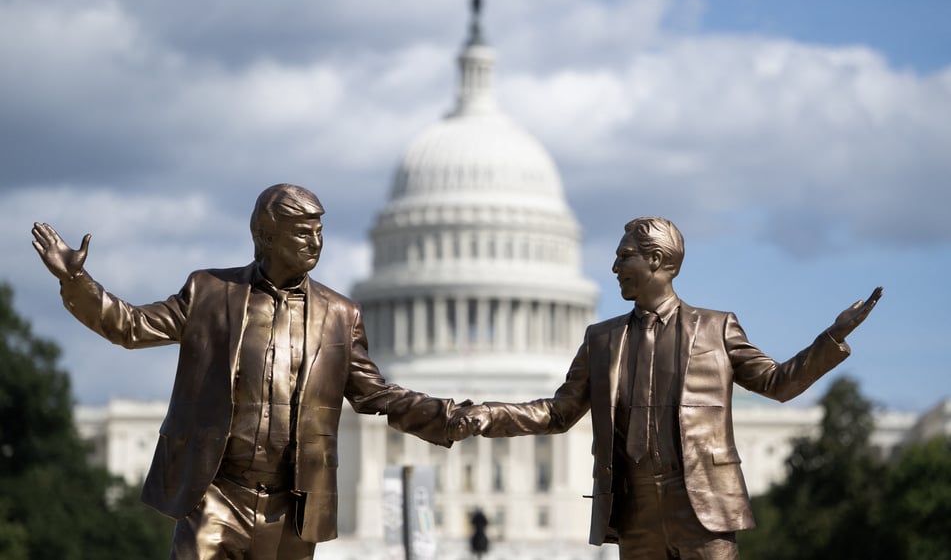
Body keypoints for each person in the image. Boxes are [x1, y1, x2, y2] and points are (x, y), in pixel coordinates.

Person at [32, 184, 469, 560]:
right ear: (265, 237)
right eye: (302, 233)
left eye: (319, 232)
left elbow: (382, 398)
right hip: (217, 496)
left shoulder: (340, 315)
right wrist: (77, 280)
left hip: (290, 511)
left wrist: (477, 417)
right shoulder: (209, 293)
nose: (315, 243)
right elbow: (129, 326)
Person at [451, 216, 882, 560]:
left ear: (656, 261)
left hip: (701, 503)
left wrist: (831, 339)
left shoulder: (716, 328)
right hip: (634, 505)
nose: (615, 268)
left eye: (625, 258)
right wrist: (487, 414)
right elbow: (558, 413)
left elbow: (778, 383)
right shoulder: (601, 339)